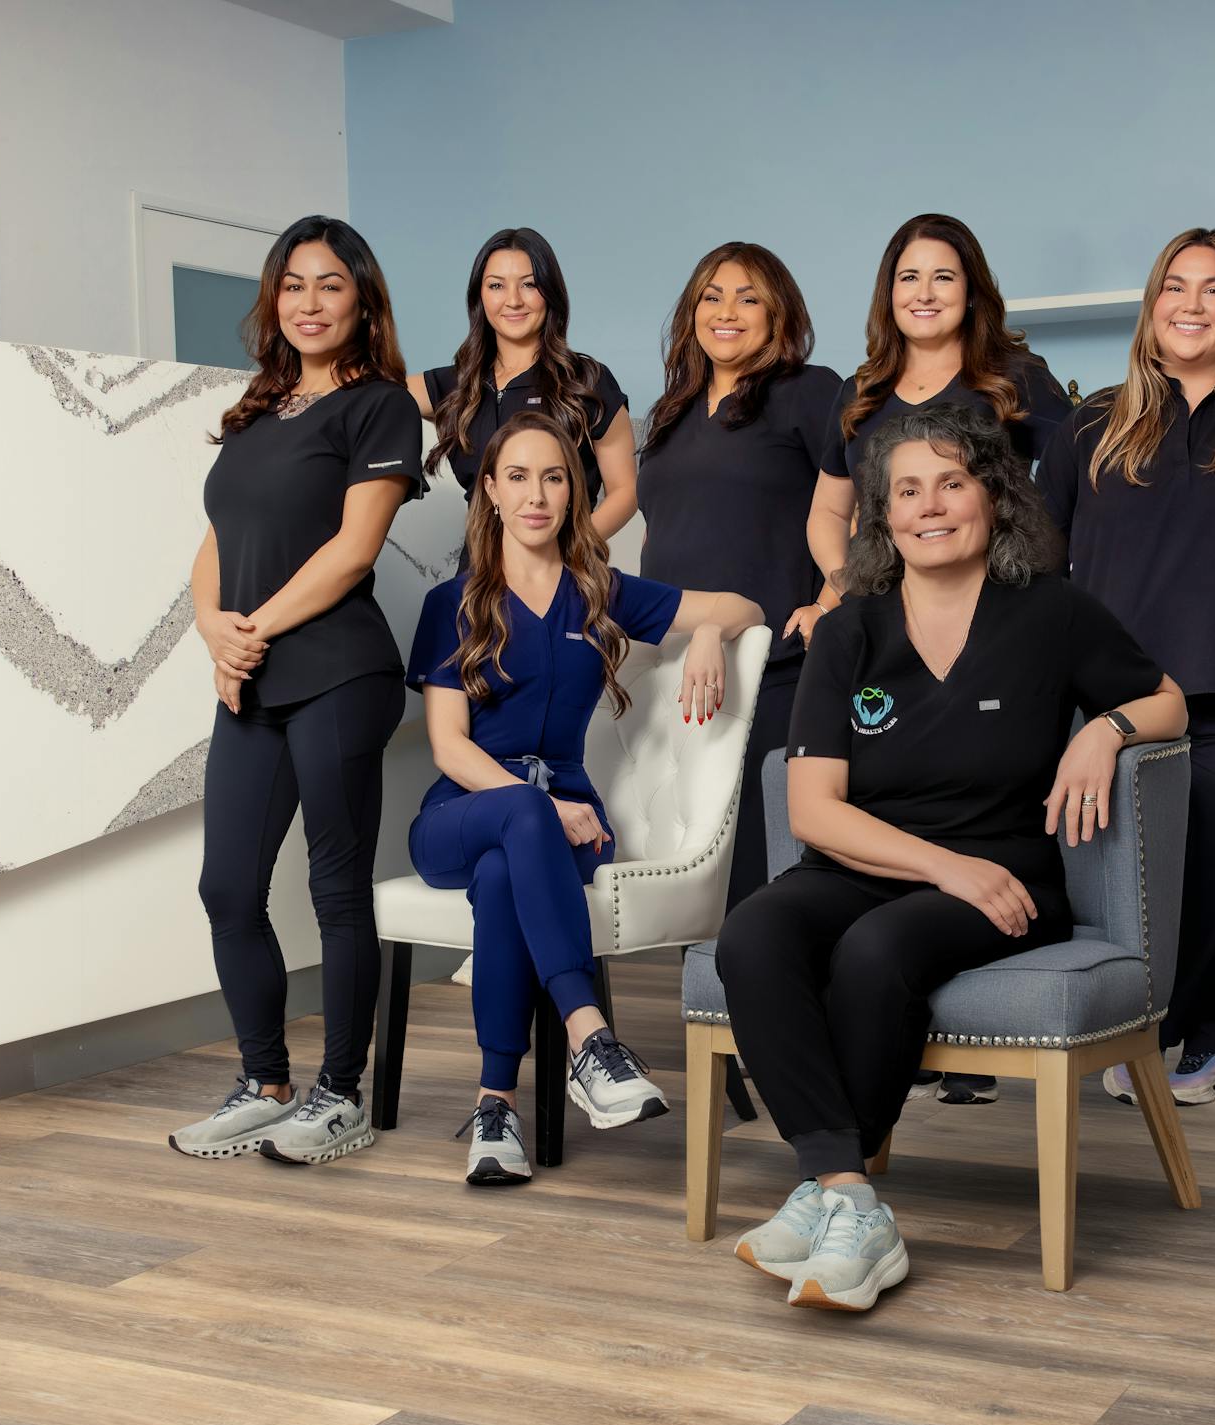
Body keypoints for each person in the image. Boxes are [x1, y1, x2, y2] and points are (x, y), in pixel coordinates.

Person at [716, 403, 1185, 1309]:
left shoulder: (1051, 612)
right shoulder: (849, 628)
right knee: (754, 933)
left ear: (993, 497)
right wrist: (940, 866)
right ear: (884, 517)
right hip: (882, 867)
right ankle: (847, 1193)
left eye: (952, 483)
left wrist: (1107, 730)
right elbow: (814, 810)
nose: (930, 506)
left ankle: (829, 1200)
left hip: (1007, 877)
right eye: (907, 491)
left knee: (876, 949)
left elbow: (1168, 699)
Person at [405, 413, 763, 1185]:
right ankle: (590, 1039)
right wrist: (538, 804)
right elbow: (449, 746)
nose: (536, 495)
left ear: (574, 493)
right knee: (517, 823)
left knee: (503, 876)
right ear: (490, 490)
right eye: (518, 477)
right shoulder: (451, 602)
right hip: (458, 814)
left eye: (554, 477)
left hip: (561, 824)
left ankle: (495, 1107)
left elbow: (746, 606)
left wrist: (706, 633)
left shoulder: (600, 592)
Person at [801, 212, 1072, 1106]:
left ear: (972, 290)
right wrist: (843, 586)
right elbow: (828, 510)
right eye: (908, 277)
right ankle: (891, 1041)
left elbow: (1068, 493)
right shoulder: (861, 391)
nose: (924, 293)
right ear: (888, 294)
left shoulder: (1016, 379)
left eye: (943, 276)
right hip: (888, 623)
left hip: (988, 618)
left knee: (973, 788)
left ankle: (926, 1032)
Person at [171, 216, 422, 1165]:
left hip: (339, 673)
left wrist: (252, 630)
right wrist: (212, 625)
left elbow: (354, 550)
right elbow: (218, 537)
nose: (308, 303)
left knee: (334, 886)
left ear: (363, 300)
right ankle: (264, 1080)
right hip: (252, 677)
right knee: (228, 886)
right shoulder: (258, 408)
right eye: (292, 285)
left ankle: (340, 1094)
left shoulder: (381, 407)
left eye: (330, 285)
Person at [1038, 226, 1215, 1109]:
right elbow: (1035, 562)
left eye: (1213, 289)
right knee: (1127, 891)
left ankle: (1175, 1030)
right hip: (1112, 706)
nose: (1191, 304)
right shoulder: (1091, 425)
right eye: (1174, 287)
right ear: (1151, 307)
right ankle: (1191, 1034)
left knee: (1213, 885)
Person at [639, 242, 843, 911]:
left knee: (761, 865)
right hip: (677, 670)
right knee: (687, 868)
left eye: (748, 298)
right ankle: (704, 987)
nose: (727, 311)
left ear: (778, 314)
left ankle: (768, 981)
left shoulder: (808, 392)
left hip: (773, 666)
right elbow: (664, 527)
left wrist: (829, 600)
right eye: (712, 296)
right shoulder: (673, 411)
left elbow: (861, 503)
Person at [407, 227, 639, 538]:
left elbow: (625, 491)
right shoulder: (457, 384)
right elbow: (368, 395)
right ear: (479, 296)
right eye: (496, 285)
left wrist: (569, 553)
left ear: (550, 292)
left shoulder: (586, 381)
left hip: (561, 564)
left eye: (529, 284)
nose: (513, 300)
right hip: (479, 566)